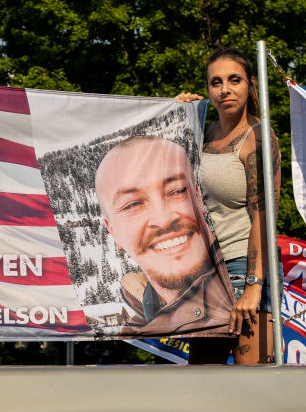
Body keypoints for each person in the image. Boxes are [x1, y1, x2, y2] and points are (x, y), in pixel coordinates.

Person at [176, 48, 281, 365]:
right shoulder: (201, 135)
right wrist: (178, 112)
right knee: (203, 383)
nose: (225, 89)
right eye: (215, 82)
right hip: (204, 272)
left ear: (250, 83)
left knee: (255, 389)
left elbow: (266, 217)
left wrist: (254, 286)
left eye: (234, 80)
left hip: (244, 270)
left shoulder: (259, 138)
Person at [94, 135, 234, 335]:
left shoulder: (244, 287)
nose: (163, 220)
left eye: (176, 191)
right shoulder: (139, 329)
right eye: (133, 204)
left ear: (198, 197)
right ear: (113, 232)